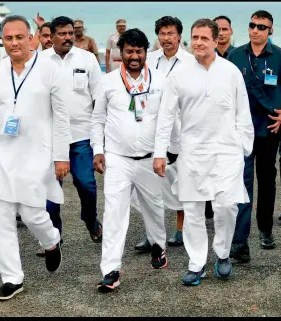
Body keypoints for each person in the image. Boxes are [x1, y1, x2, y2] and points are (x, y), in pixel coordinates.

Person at [0, 15, 70, 300]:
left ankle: (51, 241)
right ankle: (12, 279)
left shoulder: (50, 70)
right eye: (9, 38)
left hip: (37, 153)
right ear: (4, 41)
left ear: (31, 38)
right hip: (1, 153)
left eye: (19, 37)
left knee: (31, 214)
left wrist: (61, 156)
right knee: (1, 219)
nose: (14, 43)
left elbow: (62, 117)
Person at [153, 18, 254, 285]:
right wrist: (160, 152)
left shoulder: (231, 71)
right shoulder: (179, 74)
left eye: (204, 38)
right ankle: (196, 263)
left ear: (215, 39)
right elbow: (166, 116)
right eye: (195, 38)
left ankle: (222, 253)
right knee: (193, 209)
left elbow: (243, 112)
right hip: (192, 152)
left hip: (227, 152)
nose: (198, 43)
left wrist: (243, 145)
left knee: (226, 206)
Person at [91, 28, 168, 293]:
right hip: (117, 158)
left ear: (146, 52)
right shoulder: (108, 81)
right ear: (120, 53)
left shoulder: (160, 79)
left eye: (138, 51)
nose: (134, 56)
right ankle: (110, 270)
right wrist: (97, 150)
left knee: (155, 207)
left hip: (150, 160)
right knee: (113, 214)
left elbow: (166, 121)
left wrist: (163, 153)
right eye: (129, 51)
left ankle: (158, 243)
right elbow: (97, 119)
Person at [227, 10, 281, 260]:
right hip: (241, 130)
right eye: (252, 25)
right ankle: (239, 240)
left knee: (266, 181)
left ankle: (266, 230)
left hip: (268, 129)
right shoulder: (235, 56)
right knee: (242, 182)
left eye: (262, 27)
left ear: (270, 31)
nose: (256, 30)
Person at [37, 16, 103, 256]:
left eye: (70, 34)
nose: (67, 37)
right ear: (51, 36)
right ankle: (55, 237)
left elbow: (99, 97)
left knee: (86, 184)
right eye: (62, 33)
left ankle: (91, 220)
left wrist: (100, 138)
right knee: (49, 195)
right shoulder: (39, 60)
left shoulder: (87, 59)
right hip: (49, 138)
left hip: (81, 136)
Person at [134, 16, 196, 251]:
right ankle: (152, 234)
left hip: (181, 130)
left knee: (182, 181)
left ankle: (181, 231)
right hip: (150, 128)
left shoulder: (190, 62)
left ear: (179, 36)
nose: (166, 38)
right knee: (148, 183)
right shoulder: (148, 60)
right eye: (162, 33)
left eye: (170, 33)